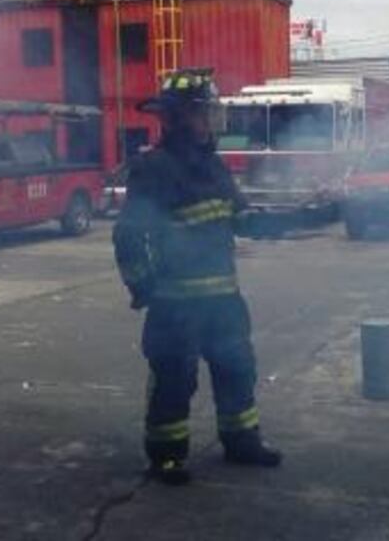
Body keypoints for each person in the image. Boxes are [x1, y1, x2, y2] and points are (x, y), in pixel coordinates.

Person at [113, 68, 285, 486]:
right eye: (203, 112)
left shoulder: (213, 165)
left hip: (224, 299)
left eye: (211, 112)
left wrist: (301, 215)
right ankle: (167, 456)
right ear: (178, 117)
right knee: (174, 378)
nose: (211, 121)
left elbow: (240, 217)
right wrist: (143, 286)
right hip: (175, 305)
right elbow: (128, 236)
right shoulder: (154, 168)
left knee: (237, 369)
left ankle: (242, 441)